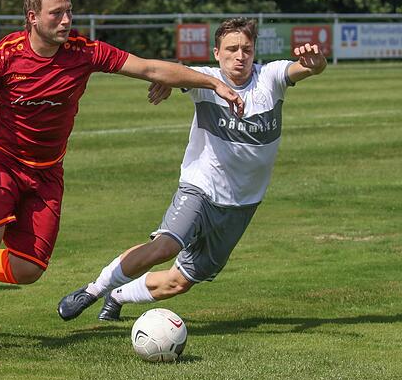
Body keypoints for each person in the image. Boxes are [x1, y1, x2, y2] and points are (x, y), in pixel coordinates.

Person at [0, 0, 244, 355]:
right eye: (56, 13)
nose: (66, 20)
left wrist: (213, 84)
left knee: (29, 270)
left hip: (47, 172)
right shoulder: (4, 54)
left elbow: (147, 68)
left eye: (69, 11)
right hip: (1, 162)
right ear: (32, 17)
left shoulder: (84, 52)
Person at [57, 17, 327, 323]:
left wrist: (315, 64)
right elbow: (172, 70)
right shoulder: (205, 80)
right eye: (231, 49)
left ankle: (117, 295)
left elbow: (305, 68)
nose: (240, 55)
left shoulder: (270, 77)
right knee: (164, 247)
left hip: (242, 204)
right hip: (201, 189)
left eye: (246, 49)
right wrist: (168, 81)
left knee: (180, 281)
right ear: (216, 52)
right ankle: (92, 290)